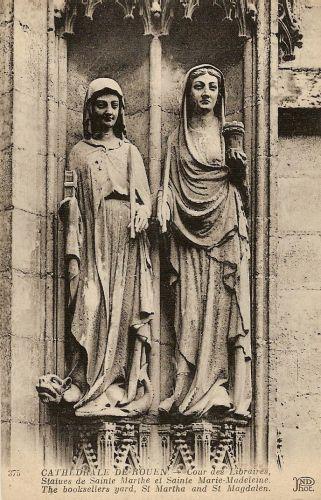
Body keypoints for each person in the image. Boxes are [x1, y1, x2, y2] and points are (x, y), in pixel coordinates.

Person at [53, 78, 154, 417]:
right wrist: (69, 205)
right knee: (90, 303)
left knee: (123, 310)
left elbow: (145, 199)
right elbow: (71, 192)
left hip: (125, 238)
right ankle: (85, 379)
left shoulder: (129, 152)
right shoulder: (79, 153)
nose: (108, 111)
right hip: (93, 236)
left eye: (114, 105)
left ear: (121, 111)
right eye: (101, 105)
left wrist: (142, 210)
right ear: (90, 110)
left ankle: (119, 382)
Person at [157, 65, 251, 418]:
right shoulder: (174, 140)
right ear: (189, 94)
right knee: (188, 309)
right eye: (199, 86)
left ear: (220, 93)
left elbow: (243, 191)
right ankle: (183, 386)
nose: (206, 92)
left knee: (220, 305)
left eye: (213, 86)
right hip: (184, 232)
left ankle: (218, 387)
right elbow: (166, 184)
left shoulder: (227, 137)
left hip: (224, 225)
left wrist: (238, 168)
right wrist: (163, 203)